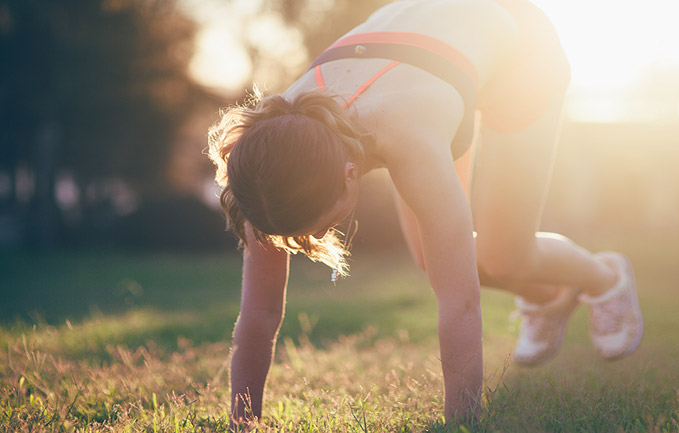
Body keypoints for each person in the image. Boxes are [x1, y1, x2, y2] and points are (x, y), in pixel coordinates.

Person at [207, 0, 643, 425]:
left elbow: (460, 303)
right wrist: (243, 423)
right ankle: (550, 297)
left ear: (350, 174)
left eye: (318, 228)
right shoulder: (269, 157)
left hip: (520, 50)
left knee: (501, 257)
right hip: (434, 50)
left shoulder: (408, 137)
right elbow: (259, 313)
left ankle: (606, 278)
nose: (307, 243)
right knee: (429, 258)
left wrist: (462, 423)